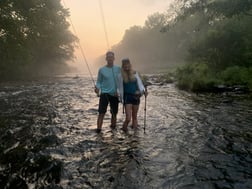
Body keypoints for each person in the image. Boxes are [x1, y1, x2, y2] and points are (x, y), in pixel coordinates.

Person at [117, 58, 147, 132]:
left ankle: (135, 136)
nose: (126, 66)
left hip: (136, 97)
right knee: (128, 118)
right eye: (124, 65)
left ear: (130, 65)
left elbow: (140, 84)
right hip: (127, 97)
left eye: (127, 64)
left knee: (134, 116)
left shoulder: (135, 73)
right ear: (123, 66)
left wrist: (144, 91)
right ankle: (124, 132)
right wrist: (118, 94)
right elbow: (118, 87)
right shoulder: (120, 76)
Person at [94, 51, 121, 133]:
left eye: (111, 57)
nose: (110, 58)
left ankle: (113, 129)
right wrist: (97, 88)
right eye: (108, 57)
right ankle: (98, 130)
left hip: (114, 94)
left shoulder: (118, 69)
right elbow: (99, 81)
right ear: (106, 58)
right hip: (104, 94)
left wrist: (118, 91)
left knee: (114, 113)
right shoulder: (101, 70)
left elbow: (120, 82)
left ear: (114, 58)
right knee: (101, 113)